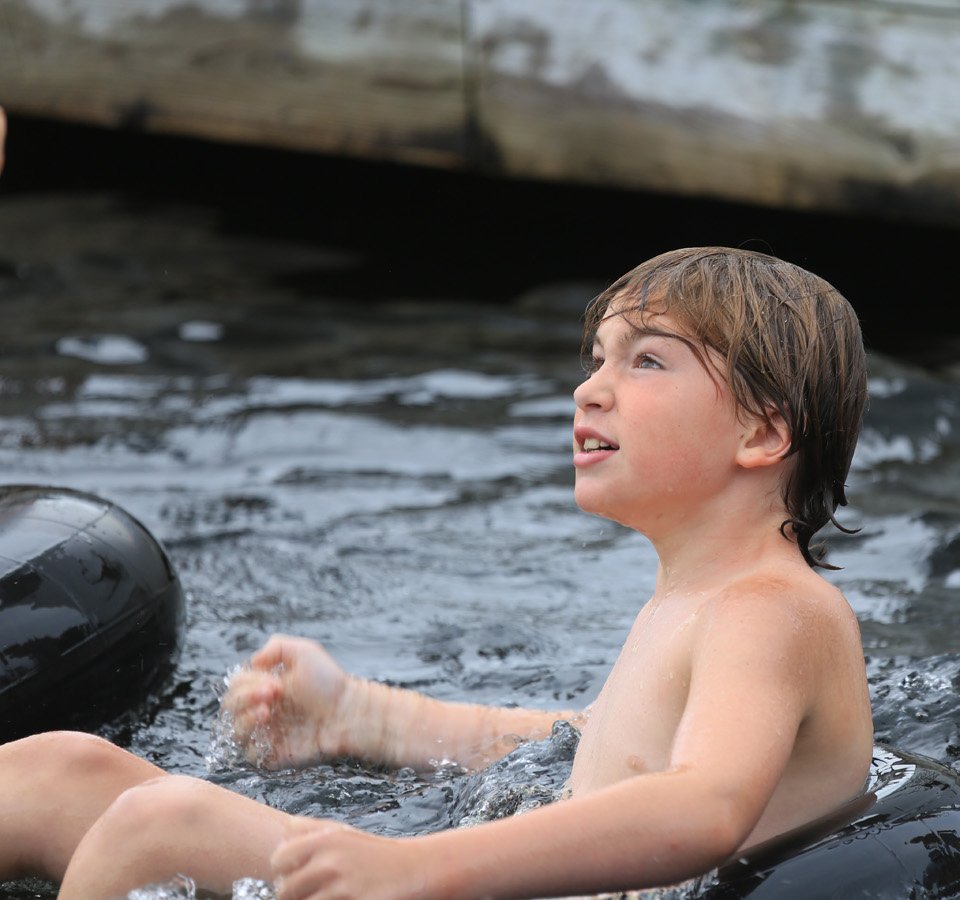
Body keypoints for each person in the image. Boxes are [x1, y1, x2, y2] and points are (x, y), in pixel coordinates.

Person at [0, 247, 874, 899]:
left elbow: (704, 808)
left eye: (647, 360)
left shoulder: (773, 610)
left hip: (450, 881)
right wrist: (365, 714)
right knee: (65, 774)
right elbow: (598, 747)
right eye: (598, 359)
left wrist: (416, 869)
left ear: (763, 433)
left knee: (163, 825)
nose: (590, 389)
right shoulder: (698, 599)